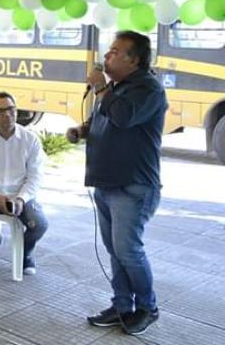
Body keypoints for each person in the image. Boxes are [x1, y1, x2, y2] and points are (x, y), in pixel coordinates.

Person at [68, 31, 167, 336]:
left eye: (114, 51)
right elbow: (107, 121)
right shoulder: (116, 87)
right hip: (107, 182)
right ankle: (122, 306)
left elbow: (124, 118)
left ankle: (147, 307)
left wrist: (99, 89)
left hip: (133, 186)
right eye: (108, 51)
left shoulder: (148, 88)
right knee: (115, 251)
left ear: (134, 59)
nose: (107, 56)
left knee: (128, 251)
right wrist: (83, 131)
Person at [0, 92, 48, 276]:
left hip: (22, 194)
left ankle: (26, 253)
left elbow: (36, 176)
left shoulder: (30, 139)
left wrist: (21, 198)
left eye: (11, 109)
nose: (8, 114)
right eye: (1, 110)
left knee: (40, 224)